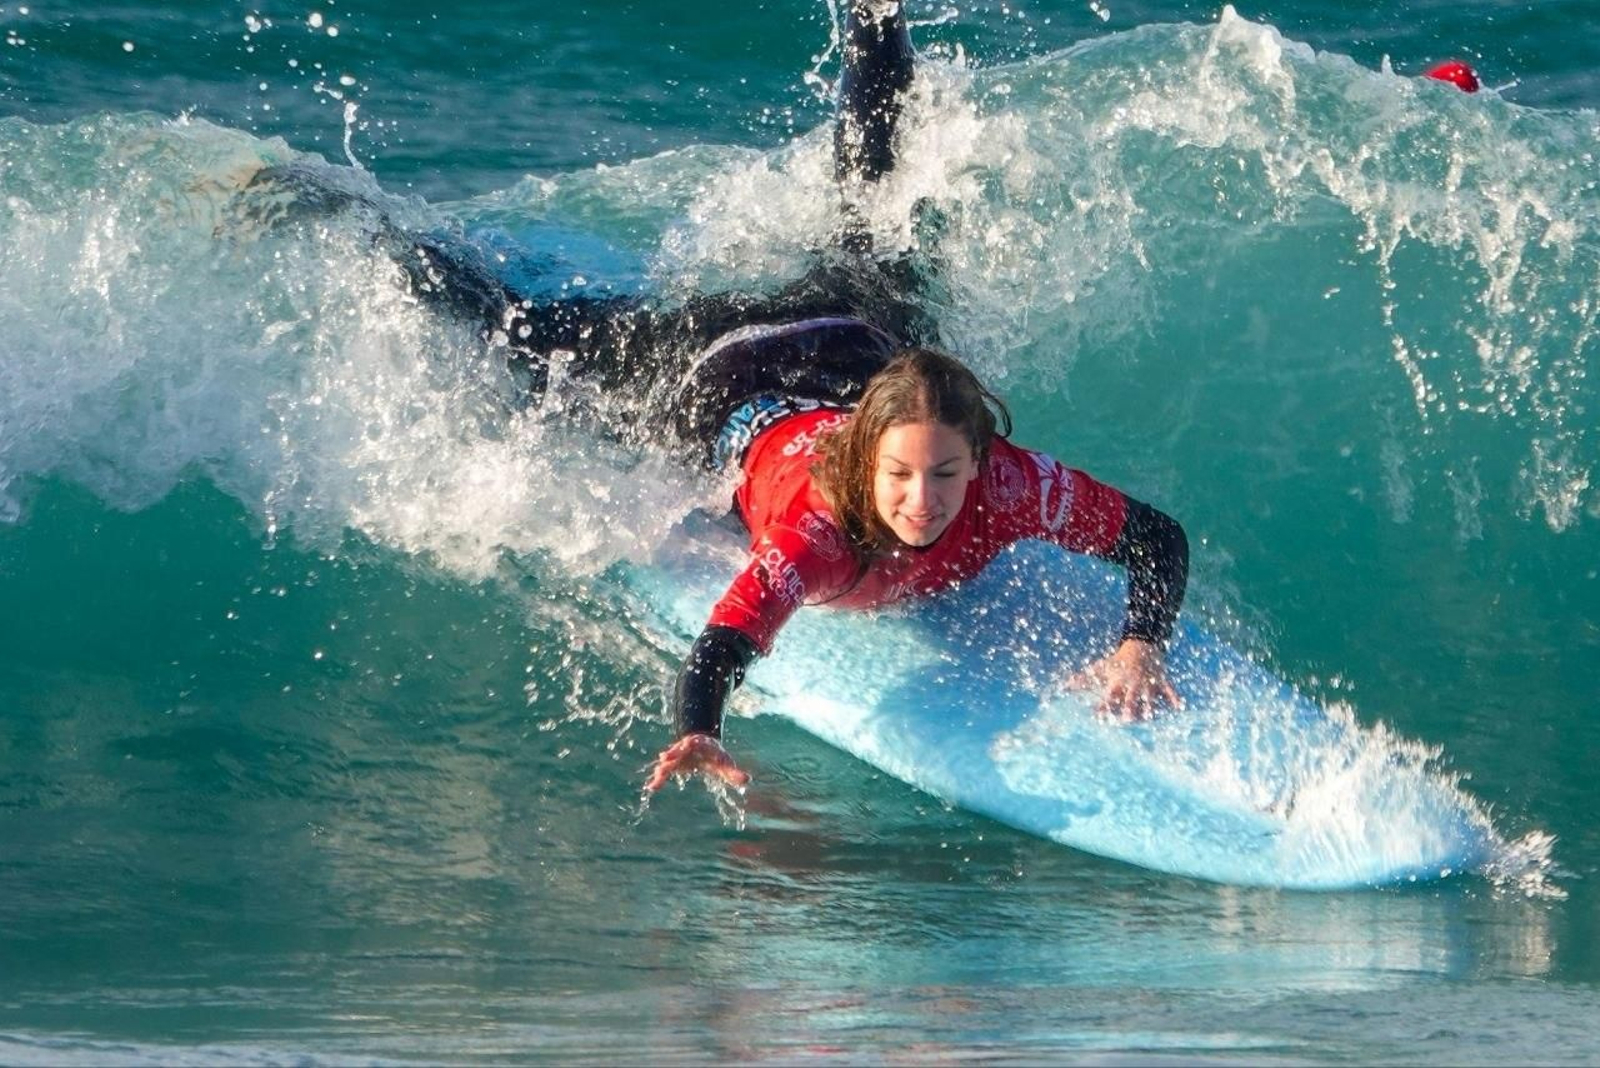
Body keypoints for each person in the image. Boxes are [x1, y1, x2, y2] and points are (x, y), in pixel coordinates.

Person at [230, 1, 1189, 792]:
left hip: (850, 340)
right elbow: (726, 640)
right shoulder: (819, 530)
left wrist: (1139, 646)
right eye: (902, 474)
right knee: (517, 333)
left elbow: (1156, 536)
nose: (923, 499)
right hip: (719, 372)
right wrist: (701, 729)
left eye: (945, 473)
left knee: (879, 212)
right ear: (868, 460)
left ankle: (875, 17)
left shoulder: (1015, 487)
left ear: (982, 461)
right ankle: (340, 207)